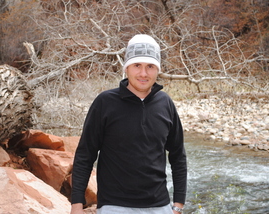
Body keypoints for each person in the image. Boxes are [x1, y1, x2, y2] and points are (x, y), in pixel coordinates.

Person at [70, 34, 187, 214]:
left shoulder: (166, 103)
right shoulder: (105, 102)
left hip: (159, 206)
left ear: (158, 70)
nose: (143, 73)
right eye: (137, 65)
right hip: (114, 206)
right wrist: (77, 204)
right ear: (126, 68)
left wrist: (178, 204)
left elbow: (178, 155)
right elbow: (86, 154)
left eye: (150, 66)